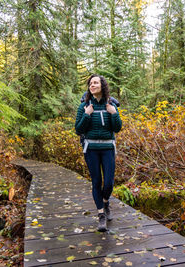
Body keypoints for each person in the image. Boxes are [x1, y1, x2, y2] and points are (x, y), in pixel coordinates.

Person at [75, 74, 122, 232]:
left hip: (108, 148)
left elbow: (117, 128)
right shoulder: (84, 107)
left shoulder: (111, 106)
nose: (92, 85)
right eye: (90, 83)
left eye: (95, 83)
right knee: (96, 181)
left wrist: (113, 113)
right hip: (91, 149)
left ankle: (105, 201)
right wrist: (87, 114)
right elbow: (78, 129)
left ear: (102, 86)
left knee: (108, 183)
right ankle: (101, 215)